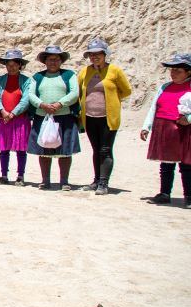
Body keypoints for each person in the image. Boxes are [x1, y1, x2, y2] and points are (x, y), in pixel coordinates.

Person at [78, 37, 132, 195]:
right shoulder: (85, 71)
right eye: (91, 54)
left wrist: (112, 100)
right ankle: (96, 181)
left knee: (105, 149)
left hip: (108, 117)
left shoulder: (114, 70)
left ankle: (104, 182)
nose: (94, 57)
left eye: (98, 54)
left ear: (105, 54)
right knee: (96, 149)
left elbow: (126, 90)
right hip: (89, 117)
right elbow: (80, 90)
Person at [27, 46, 81, 190]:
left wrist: (59, 104)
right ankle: (45, 180)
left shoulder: (69, 75)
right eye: (50, 59)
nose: (53, 62)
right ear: (45, 61)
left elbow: (75, 93)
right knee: (44, 150)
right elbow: (31, 94)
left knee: (65, 150)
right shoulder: (37, 77)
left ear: (61, 61)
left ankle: (64, 181)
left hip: (64, 117)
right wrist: (42, 104)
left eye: (56, 59)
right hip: (43, 117)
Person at [140, 53, 191, 206]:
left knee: (186, 165)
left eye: (178, 70)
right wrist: (146, 126)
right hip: (164, 128)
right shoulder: (165, 87)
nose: (173, 73)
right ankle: (164, 193)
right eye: (172, 70)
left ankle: (189, 195)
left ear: (188, 72)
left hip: (185, 130)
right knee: (166, 163)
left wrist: (188, 119)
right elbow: (154, 107)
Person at [0, 49, 32, 185]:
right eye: (9, 64)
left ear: (20, 65)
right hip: (3, 118)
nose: (11, 67)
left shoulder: (26, 81)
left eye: (14, 64)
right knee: (4, 148)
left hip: (19, 119)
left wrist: (13, 113)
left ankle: (20, 176)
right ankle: (4, 175)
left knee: (21, 149)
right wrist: (2, 111)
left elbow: (26, 99)